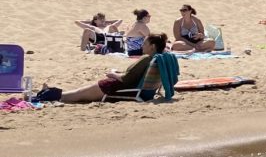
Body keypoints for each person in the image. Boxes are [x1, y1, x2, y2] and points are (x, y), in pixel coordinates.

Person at [40, 33, 170, 103]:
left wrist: (113, 74)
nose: (142, 46)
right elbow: (133, 76)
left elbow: (126, 79)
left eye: (145, 43)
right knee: (79, 92)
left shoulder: (146, 58)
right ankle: (51, 91)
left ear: (152, 46)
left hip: (116, 87)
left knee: (78, 94)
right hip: (131, 87)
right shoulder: (159, 58)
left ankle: (48, 94)